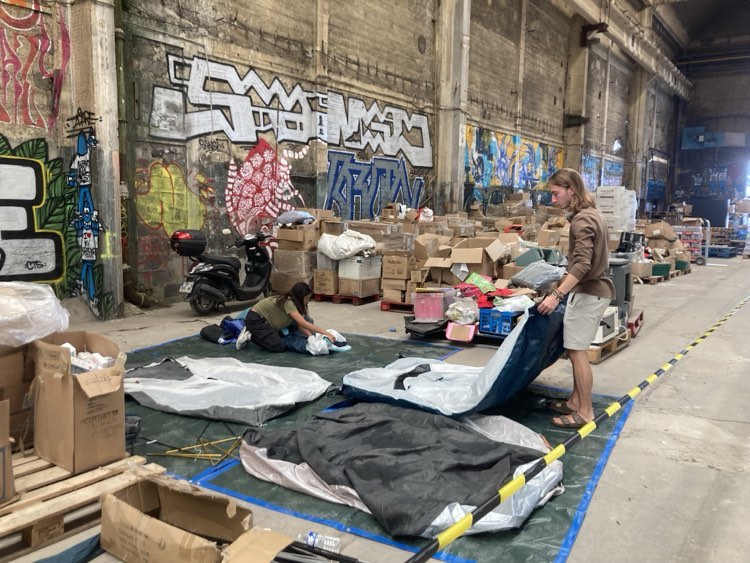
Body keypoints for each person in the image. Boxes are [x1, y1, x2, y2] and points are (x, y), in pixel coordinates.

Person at [537, 168, 615, 428]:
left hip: (590, 292)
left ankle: (584, 411)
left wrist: (556, 295)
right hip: (592, 291)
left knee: (578, 352)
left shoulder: (582, 221)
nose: (553, 200)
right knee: (573, 349)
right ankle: (574, 401)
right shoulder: (592, 214)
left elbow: (582, 265)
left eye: (556, 193)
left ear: (571, 189)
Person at [236, 282, 336, 353]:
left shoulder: (297, 304)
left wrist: (311, 338)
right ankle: (250, 335)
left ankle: (271, 334)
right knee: (279, 346)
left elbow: (301, 325)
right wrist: (326, 333)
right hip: (256, 320)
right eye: (306, 298)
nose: (307, 301)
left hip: (269, 321)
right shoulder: (289, 302)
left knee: (307, 320)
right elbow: (303, 324)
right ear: (299, 297)